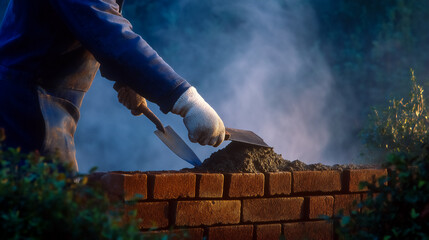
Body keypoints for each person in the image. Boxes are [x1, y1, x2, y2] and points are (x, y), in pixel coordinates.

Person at [0, 0, 225, 171]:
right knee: (46, 203)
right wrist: (185, 99)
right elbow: (107, 32)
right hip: (25, 102)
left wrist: (128, 79)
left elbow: (90, 30)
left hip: (37, 99)